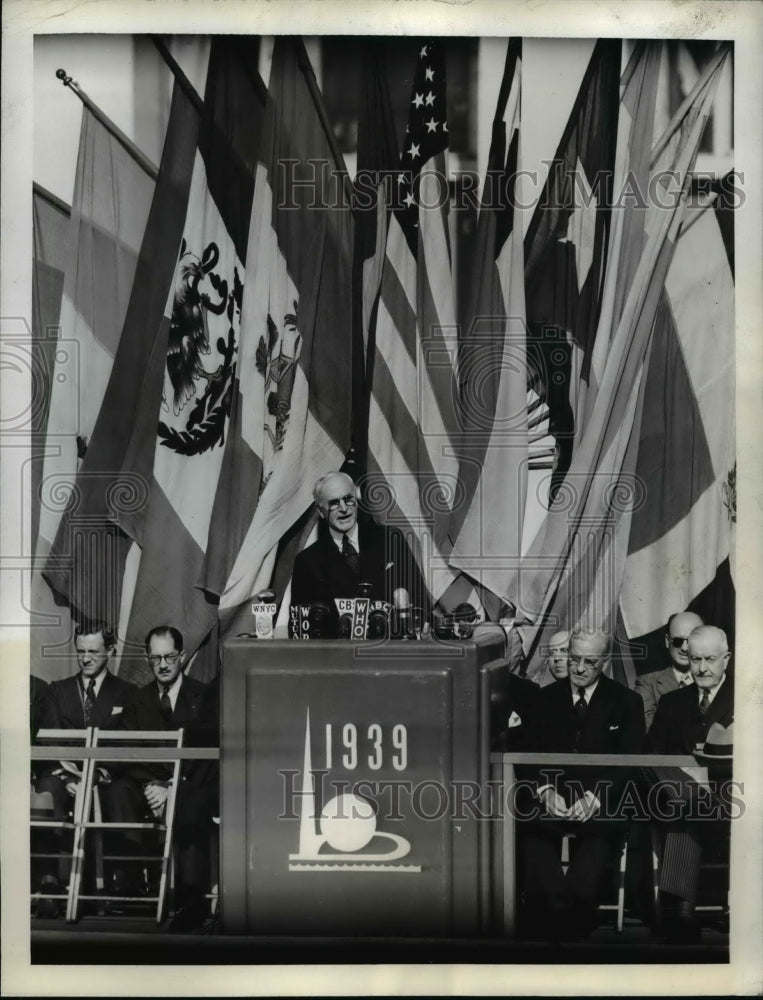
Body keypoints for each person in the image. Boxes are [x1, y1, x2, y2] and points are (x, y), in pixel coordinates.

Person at [519, 628, 646, 940]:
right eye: (574, 658)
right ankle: (556, 909)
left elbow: (631, 762)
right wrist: (545, 791)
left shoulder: (627, 702)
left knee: (600, 835)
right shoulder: (543, 699)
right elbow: (529, 754)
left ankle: (573, 912)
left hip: (600, 801)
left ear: (603, 661)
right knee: (531, 830)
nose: (578, 668)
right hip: (551, 796)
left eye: (589, 662)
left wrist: (594, 797)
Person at [106, 626, 207, 906]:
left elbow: (204, 755)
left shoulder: (203, 697)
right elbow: (128, 750)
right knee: (118, 791)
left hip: (185, 783)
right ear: (148, 659)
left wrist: (172, 785)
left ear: (183, 656)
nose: (162, 665)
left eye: (170, 657)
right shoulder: (136, 700)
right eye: (155, 658)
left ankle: (188, 894)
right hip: (147, 784)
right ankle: (131, 886)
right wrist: (153, 784)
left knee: (192, 798)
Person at [646, 625, 734, 942]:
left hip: (733, 800)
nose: (702, 668)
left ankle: (676, 910)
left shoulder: (749, 697)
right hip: (680, 801)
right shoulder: (672, 703)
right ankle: (678, 914)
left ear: (726, 659)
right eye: (695, 659)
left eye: (710, 659)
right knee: (685, 803)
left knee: (690, 806)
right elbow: (652, 756)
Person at [291, 471, 429, 616]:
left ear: (356, 499)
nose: (344, 509)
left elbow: (420, 601)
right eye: (334, 503)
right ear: (320, 511)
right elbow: (299, 625)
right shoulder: (307, 561)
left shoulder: (391, 540)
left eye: (348, 499)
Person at [35, 621, 135, 820]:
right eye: (80, 652)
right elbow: (50, 740)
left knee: (122, 794)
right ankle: (53, 850)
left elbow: (127, 745)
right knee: (48, 789)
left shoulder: (128, 693)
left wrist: (97, 775)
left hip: (108, 777)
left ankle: (118, 850)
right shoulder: (56, 691)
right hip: (64, 776)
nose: (85, 659)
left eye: (93, 652)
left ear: (110, 650)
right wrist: (68, 777)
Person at [635, 611, 703, 730]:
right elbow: (650, 731)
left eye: (691, 641)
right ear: (667, 641)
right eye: (678, 641)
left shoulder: (715, 680)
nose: (684, 648)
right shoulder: (647, 684)